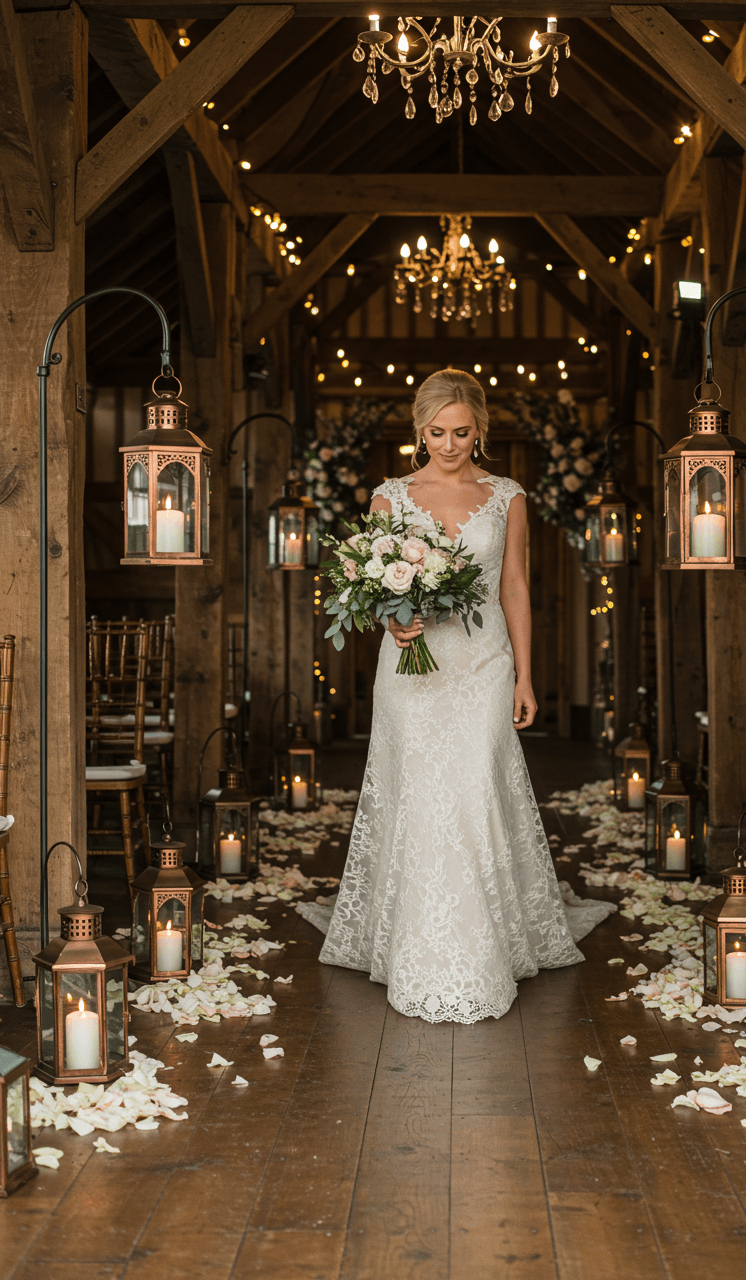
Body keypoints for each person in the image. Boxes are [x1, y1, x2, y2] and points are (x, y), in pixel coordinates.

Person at [297, 369, 614, 1023]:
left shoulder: (506, 496)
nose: (449, 444)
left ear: (480, 430)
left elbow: (516, 586)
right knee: (419, 800)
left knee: (473, 794)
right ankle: (418, 949)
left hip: (484, 666)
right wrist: (394, 618)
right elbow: (375, 586)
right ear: (419, 432)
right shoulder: (390, 496)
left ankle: (481, 951)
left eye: (462, 432)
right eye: (437, 433)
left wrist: (526, 675)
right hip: (413, 674)